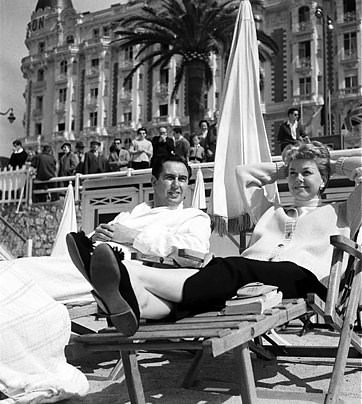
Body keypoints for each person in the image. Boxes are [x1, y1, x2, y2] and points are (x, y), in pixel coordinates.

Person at [76, 141, 362, 335]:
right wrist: (288, 166)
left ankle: (119, 276)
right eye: (292, 174)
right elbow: (244, 174)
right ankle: (130, 287)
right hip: (249, 281)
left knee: (233, 266)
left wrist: (329, 164)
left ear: (324, 179)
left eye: (307, 174)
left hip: (304, 280)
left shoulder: (342, 212)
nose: (298, 179)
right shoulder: (270, 211)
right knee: (220, 271)